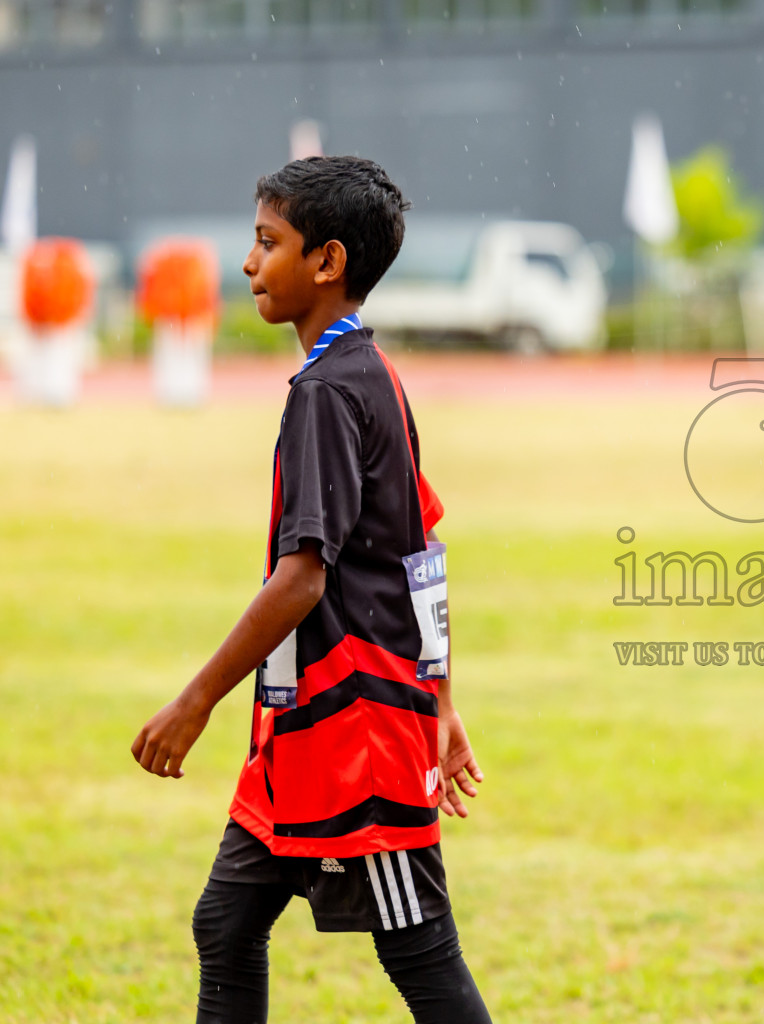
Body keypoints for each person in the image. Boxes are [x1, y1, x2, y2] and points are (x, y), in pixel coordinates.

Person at [130, 155, 492, 1024]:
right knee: (225, 922)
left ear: (327, 262)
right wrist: (440, 698)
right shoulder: (366, 373)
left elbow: (304, 576)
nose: (249, 264)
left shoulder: (332, 390)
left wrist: (195, 701)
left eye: (267, 243)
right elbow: (423, 554)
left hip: (356, 728)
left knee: (419, 951)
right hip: (305, 730)